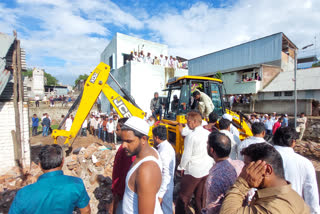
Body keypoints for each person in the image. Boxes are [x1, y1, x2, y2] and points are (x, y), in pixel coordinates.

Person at [219, 143, 310, 214]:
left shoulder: (273, 208)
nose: (244, 171)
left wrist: (241, 184)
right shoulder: (291, 196)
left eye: (247, 166)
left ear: (267, 170)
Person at [9, 145, 91, 214]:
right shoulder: (76, 184)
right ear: (62, 162)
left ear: (39, 165)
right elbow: (86, 211)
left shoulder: (24, 193)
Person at [121, 116, 163, 214]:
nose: (123, 145)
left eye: (129, 141)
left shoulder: (146, 170)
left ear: (143, 139)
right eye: (122, 140)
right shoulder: (150, 152)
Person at [273, 127, 320, 214]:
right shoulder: (305, 163)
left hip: (265, 208)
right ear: (293, 142)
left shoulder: (260, 159)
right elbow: (311, 194)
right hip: (293, 209)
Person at [176, 112, 214, 214]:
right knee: (200, 197)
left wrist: (181, 167)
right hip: (206, 169)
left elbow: (186, 155)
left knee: (184, 197)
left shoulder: (191, 136)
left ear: (195, 122)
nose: (187, 124)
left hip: (193, 170)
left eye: (188, 122)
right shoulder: (208, 134)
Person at [203, 132, 244, 214]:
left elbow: (212, 208)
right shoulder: (241, 165)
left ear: (212, 150)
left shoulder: (214, 178)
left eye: (207, 144)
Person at [112, 118, 136, 214]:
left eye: (117, 129)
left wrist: (118, 192)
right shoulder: (124, 148)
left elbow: (124, 173)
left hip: (123, 194)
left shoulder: (126, 150)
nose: (116, 131)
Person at [152, 126, 176, 214]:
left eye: (153, 137)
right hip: (165, 184)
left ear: (157, 137)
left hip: (165, 185)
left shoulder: (164, 151)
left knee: (165, 209)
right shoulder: (165, 147)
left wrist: (161, 194)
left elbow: (166, 173)